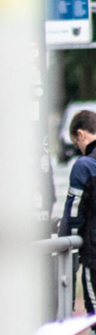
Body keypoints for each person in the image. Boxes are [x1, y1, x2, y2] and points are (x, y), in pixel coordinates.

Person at [59, 109, 96, 313]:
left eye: (76, 144)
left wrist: (63, 238)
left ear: (81, 134)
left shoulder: (85, 165)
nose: (79, 149)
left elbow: (73, 215)